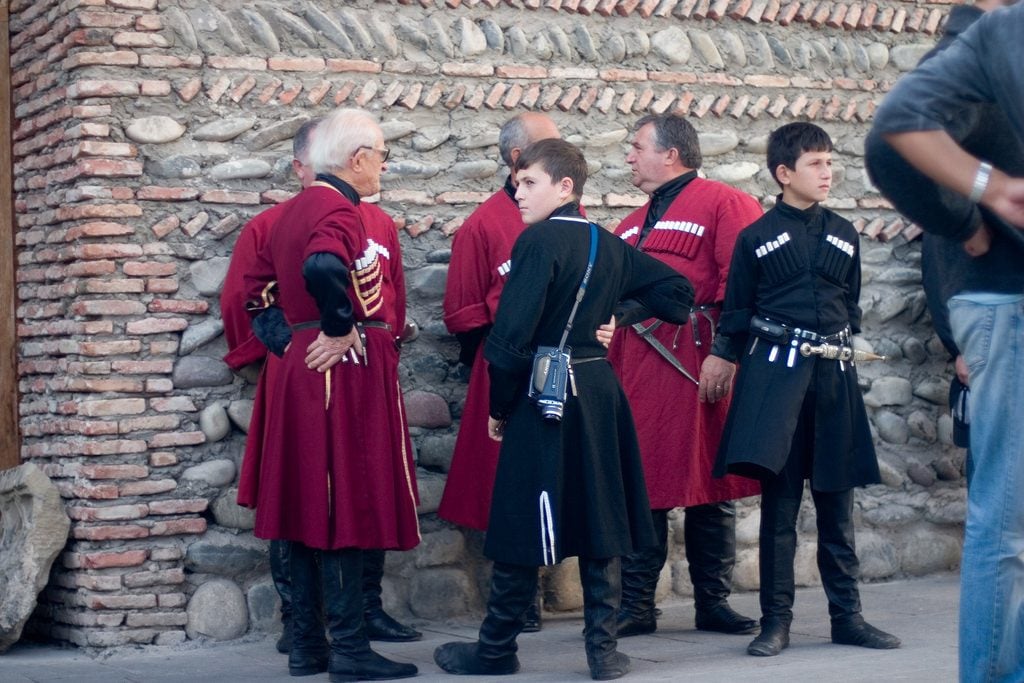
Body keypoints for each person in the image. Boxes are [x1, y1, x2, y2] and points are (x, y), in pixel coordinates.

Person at [433, 138, 694, 681]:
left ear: (565, 186)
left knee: (521, 514)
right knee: (600, 511)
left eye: (529, 182)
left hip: (543, 390)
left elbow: (508, 340)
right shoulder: (608, 244)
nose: (518, 191)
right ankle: (602, 653)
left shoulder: (538, 241)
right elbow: (676, 291)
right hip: (597, 388)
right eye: (517, 181)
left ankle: (496, 650)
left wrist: (501, 406)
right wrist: (620, 314)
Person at [225, 120, 422, 653]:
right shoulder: (318, 211)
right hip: (328, 369)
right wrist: (321, 335)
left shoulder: (370, 219)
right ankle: (317, 632)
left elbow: (389, 297)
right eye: (382, 154)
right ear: (355, 158)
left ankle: (333, 631)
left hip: (360, 366)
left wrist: (380, 342)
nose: (385, 164)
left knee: (350, 491)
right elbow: (259, 296)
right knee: (328, 495)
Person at [869, 5, 1024, 679]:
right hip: (1006, 296)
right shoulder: (990, 34)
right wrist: (971, 206)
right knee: (1010, 517)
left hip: (998, 297)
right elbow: (894, 138)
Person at [706, 123, 900, 657]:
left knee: (838, 504)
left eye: (830, 162)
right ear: (784, 173)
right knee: (781, 507)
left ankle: (848, 618)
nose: (827, 172)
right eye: (815, 164)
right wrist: (721, 359)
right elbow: (738, 311)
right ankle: (777, 623)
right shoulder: (755, 238)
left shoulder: (845, 232)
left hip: (834, 379)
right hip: (776, 378)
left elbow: (851, 305)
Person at [606, 113, 762, 638]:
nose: (628, 156)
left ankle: (712, 602)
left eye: (636, 146)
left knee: (710, 482)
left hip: (696, 365)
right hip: (636, 368)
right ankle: (636, 605)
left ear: (670, 153)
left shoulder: (724, 202)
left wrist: (727, 353)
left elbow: (740, 286)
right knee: (640, 482)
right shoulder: (628, 224)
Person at [438, 112, 561, 631]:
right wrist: (500, 366)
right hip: (508, 366)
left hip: (563, 364)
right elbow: (462, 312)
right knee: (504, 482)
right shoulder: (484, 224)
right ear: (516, 161)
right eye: (548, 145)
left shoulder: (564, 219)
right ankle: (516, 599)